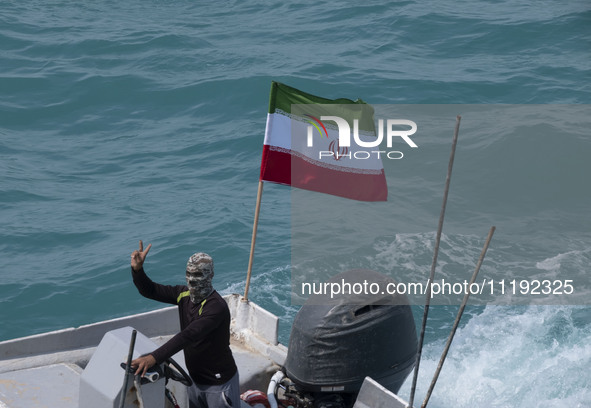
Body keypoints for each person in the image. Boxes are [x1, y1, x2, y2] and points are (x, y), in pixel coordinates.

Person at [129, 240, 239, 408]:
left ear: (211, 276)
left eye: (198, 275)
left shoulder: (216, 307)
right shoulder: (183, 294)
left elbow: (189, 335)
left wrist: (154, 358)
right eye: (189, 274)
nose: (191, 280)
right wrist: (138, 270)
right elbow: (150, 290)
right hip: (194, 380)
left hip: (218, 384)